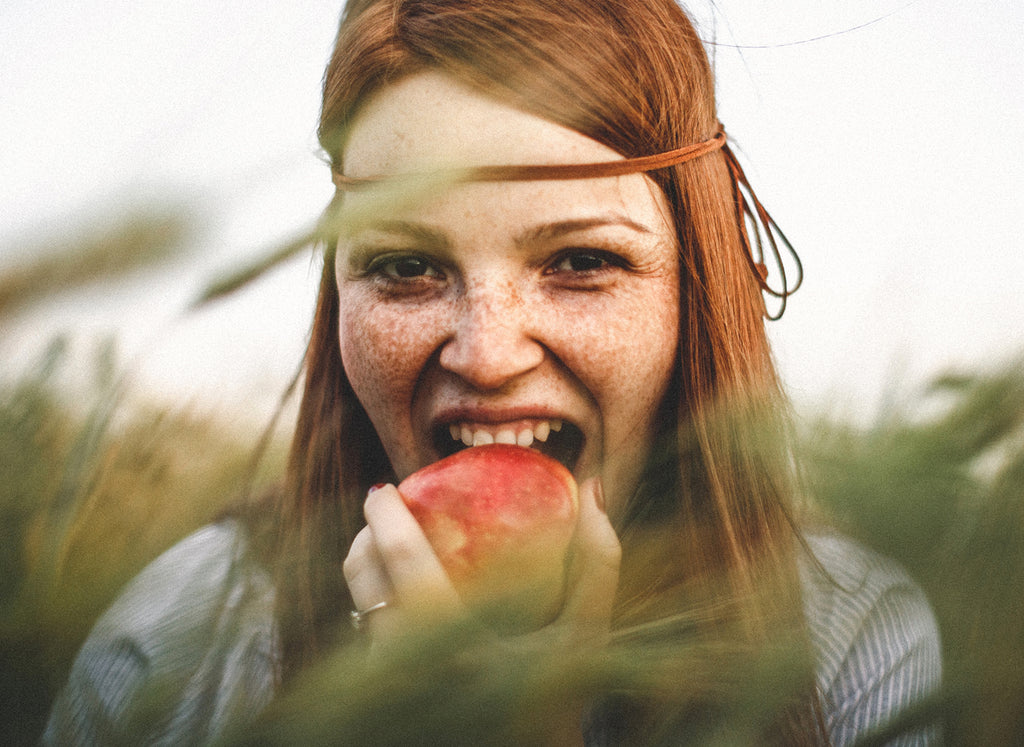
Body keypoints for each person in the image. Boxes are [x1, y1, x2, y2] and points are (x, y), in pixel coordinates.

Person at [44, 0, 942, 744]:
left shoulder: (849, 652)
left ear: (694, 288)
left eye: (582, 260)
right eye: (404, 266)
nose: (487, 353)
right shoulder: (178, 634)